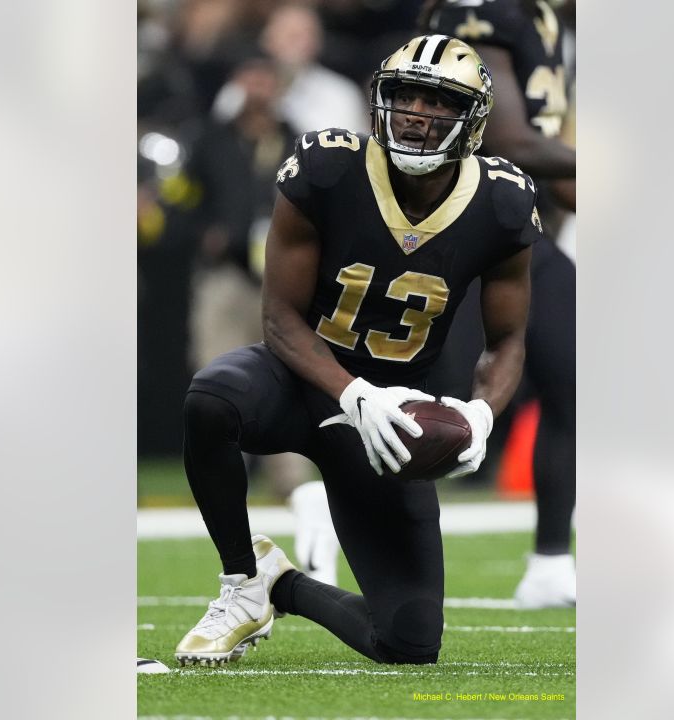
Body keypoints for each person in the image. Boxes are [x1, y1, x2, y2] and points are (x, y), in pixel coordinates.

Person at [174, 34, 540, 666]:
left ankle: (278, 584)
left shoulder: (503, 203)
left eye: (440, 101)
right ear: (380, 101)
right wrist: (350, 390)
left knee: (409, 643)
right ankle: (239, 578)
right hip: (302, 379)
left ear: (473, 122)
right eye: (406, 96)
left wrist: (481, 414)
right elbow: (279, 317)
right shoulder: (329, 167)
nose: (419, 113)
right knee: (211, 398)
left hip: (391, 424)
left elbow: (507, 340)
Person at [422, 0, 578, 608]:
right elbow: (507, 140)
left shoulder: (540, 18)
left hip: (508, 225)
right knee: (436, 404)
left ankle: (549, 562)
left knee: (570, 388)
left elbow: (541, 156)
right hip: (465, 224)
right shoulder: (484, 12)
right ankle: (331, 518)